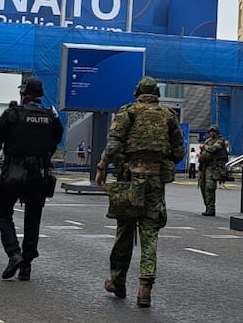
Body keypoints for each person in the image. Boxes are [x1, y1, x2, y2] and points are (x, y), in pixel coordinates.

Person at [95, 76, 184, 308]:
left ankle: (117, 281)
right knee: (150, 234)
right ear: (157, 94)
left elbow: (113, 145)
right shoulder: (168, 115)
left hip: (129, 179)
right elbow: (178, 152)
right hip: (155, 182)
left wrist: (101, 167)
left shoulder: (128, 111)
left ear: (137, 92)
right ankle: (145, 289)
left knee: (124, 232)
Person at [0, 75, 63, 282]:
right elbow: (56, 140)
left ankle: (14, 254)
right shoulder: (50, 116)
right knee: (33, 219)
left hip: (14, 171)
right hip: (39, 174)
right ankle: (27, 265)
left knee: (3, 213)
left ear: (23, 93)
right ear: (40, 95)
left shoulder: (12, 114)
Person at [197, 125, 230, 216]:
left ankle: (211, 208)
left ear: (217, 132)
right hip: (205, 166)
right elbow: (202, 154)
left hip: (213, 167)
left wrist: (205, 147)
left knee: (210, 187)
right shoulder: (208, 141)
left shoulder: (220, 140)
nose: (212, 133)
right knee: (203, 187)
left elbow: (213, 149)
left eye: (214, 131)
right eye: (210, 131)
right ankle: (207, 207)